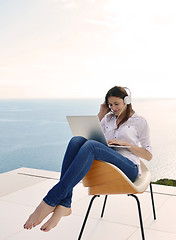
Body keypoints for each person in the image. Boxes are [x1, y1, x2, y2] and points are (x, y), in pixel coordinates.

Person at [23, 86, 152, 232]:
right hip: (109, 163)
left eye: (116, 104)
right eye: (110, 105)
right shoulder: (107, 119)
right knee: (76, 140)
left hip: (129, 168)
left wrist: (127, 144)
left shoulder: (139, 121)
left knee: (91, 146)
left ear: (126, 101)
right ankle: (65, 204)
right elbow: (89, 134)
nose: (113, 108)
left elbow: (148, 155)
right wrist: (102, 113)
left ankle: (49, 201)